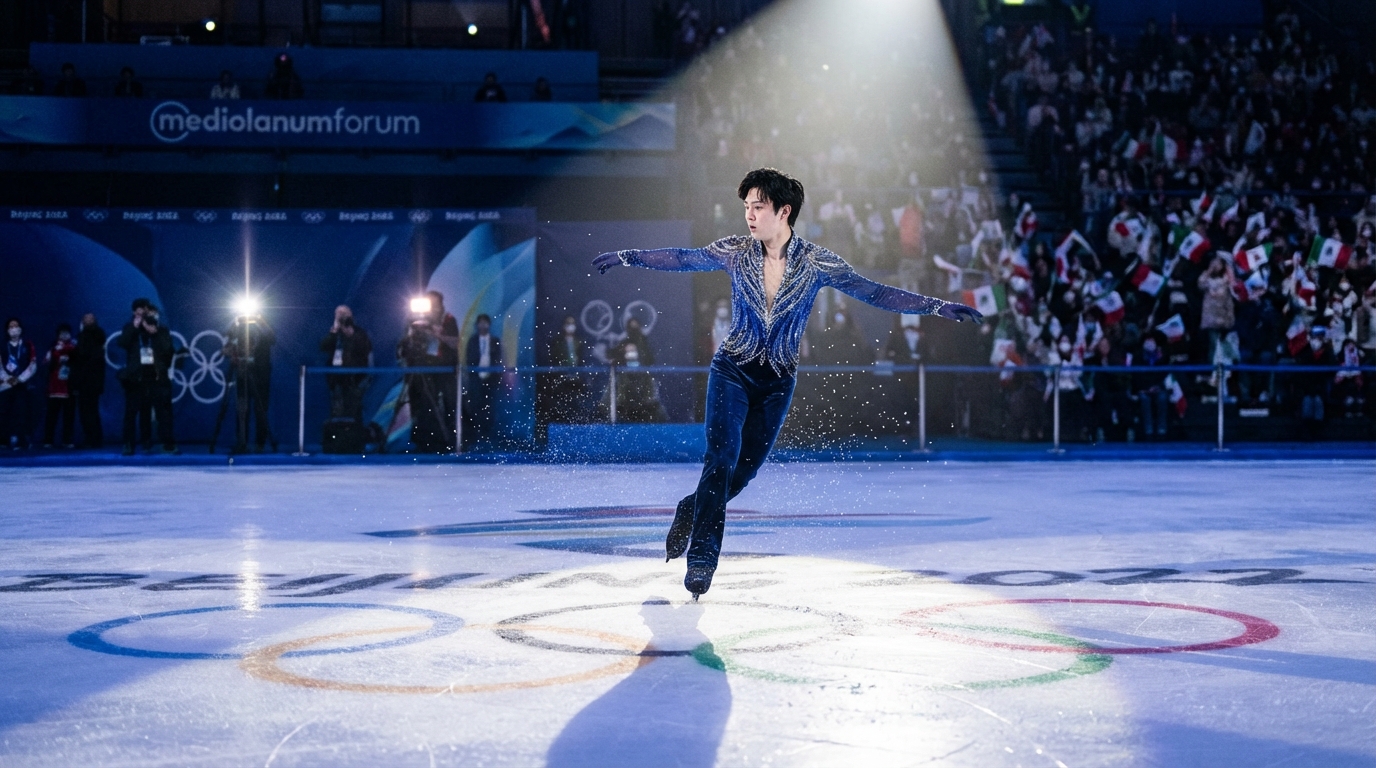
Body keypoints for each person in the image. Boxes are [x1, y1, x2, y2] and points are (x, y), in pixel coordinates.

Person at [592, 167, 981, 598]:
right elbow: (685, 258)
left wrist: (936, 306)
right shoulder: (735, 251)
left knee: (742, 473)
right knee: (720, 457)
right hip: (732, 371)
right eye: (746, 207)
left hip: (778, 382)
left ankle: (691, 509)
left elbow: (873, 292)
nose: (750, 216)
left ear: (784, 211)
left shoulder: (817, 262)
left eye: (758, 207)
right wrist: (632, 257)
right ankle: (702, 559)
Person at [398, 291, 459, 453]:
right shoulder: (415, 321)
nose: (431, 307)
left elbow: (455, 344)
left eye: (434, 303)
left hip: (443, 371)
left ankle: (447, 441)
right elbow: (404, 344)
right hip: (421, 369)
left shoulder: (448, 320)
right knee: (420, 404)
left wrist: (438, 334)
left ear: (440, 304)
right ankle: (420, 440)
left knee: (445, 405)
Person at [116, 301, 176, 454]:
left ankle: (166, 443)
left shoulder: (161, 330)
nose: (142, 316)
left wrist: (154, 333)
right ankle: (128, 444)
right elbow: (122, 343)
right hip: (136, 377)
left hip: (156, 377)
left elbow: (169, 350)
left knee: (162, 412)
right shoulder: (130, 329)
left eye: (145, 313)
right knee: (131, 413)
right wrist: (135, 326)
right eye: (138, 313)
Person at [221, 310, 276, 453]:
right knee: (242, 409)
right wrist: (235, 320)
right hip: (242, 373)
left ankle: (260, 444)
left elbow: (272, 339)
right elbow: (226, 340)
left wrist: (260, 321)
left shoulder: (263, 326)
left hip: (261, 375)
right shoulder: (238, 326)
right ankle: (242, 443)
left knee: (261, 410)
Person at [320, 305, 372, 421]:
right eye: (339, 314)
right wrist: (334, 332)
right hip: (336, 378)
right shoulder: (334, 333)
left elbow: (366, 349)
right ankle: (337, 433)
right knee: (336, 408)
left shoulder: (359, 332)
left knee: (353, 408)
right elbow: (323, 347)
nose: (342, 317)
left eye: (345, 314)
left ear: (351, 315)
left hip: (354, 378)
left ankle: (354, 433)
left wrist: (352, 336)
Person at [540, 315, 589, 425]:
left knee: (577, 404)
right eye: (568, 324)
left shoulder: (579, 341)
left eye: (572, 324)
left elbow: (582, 360)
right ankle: (562, 424)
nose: (570, 326)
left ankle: (577, 424)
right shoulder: (557, 341)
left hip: (576, 378)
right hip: (561, 377)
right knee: (562, 404)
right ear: (564, 326)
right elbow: (554, 359)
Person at [464, 314, 503, 449]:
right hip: (476, 379)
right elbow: (468, 359)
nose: (483, 326)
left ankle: (489, 437)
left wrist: (494, 375)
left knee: (490, 408)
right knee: (476, 408)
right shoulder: (472, 341)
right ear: (477, 325)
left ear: (489, 325)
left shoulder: (495, 341)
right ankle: (476, 437)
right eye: (480, 323)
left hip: (491, 380)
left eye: (485, 323)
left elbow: (498, 359)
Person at [0, 318, 38, 450]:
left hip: (22, 385)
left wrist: (20, 379)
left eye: (16, 326)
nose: (13, 329)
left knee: (21, 412)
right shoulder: (2, 345)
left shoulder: (28, 345)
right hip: (5, 385)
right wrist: (7, 378)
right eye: (11, 326)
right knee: (4, 412)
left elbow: (33, 364)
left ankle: (22, 440)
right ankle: (3, 440)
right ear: (7, 330)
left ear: (20, 328)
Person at [71, 313, 107, 448]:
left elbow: (87, 355)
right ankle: (89, 437)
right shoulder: (79, 337)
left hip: (93, 381)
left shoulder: (97, 335)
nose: (88, 321)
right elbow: (76, 360)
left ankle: (95, 438)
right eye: (85, 319)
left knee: (91, 410)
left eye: (91, 319)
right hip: (82, 381)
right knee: (84, 411)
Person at [42, 324, 77, 449]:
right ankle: (48, 440)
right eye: (62, 332)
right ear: (58, 334)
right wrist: (58, 352)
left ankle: (67, 440)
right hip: (54, 386)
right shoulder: (52, 347)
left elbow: (78, 360)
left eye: (66, 332)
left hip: (69, 386)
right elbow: (46, 362)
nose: (64, 335)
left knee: (69, 416)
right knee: (51, 415)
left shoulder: (74, 346)